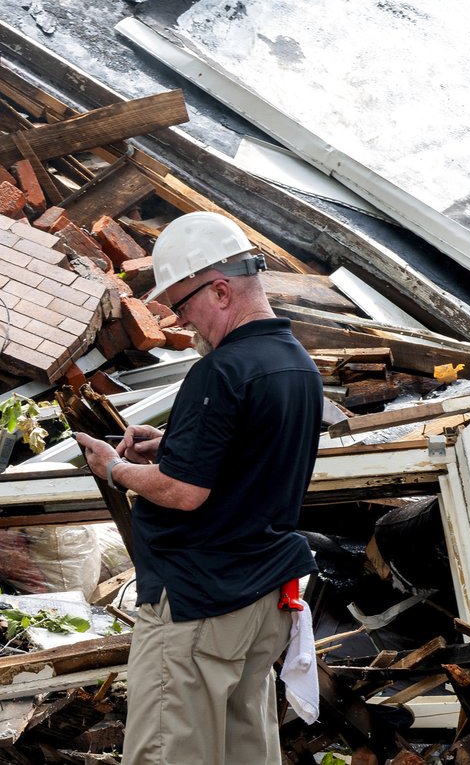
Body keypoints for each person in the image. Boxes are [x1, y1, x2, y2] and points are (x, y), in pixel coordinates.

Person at [75, 211, 323, 765]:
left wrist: (113, 469)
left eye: (184, 306)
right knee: (245, 751)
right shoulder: (295, 365)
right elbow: (256, 455)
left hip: (200, 602)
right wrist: (175, 446)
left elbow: (185, 494)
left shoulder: (221, 372)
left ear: (219, 290)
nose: (184, 323)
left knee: (169, 751)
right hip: (262, 598)